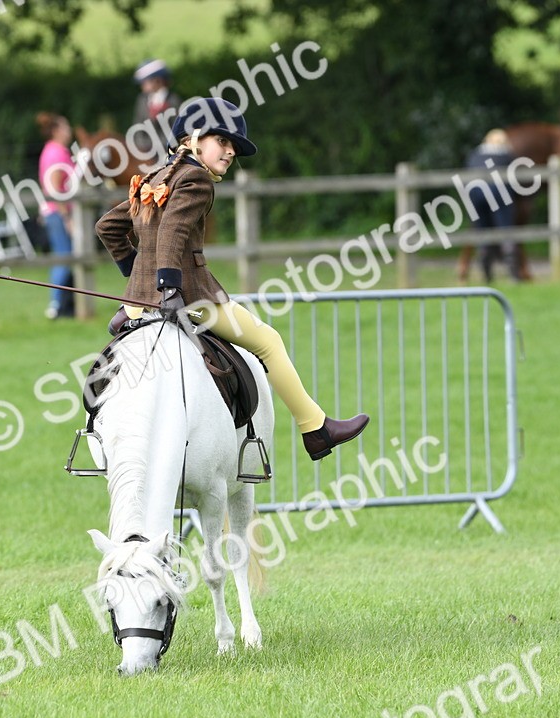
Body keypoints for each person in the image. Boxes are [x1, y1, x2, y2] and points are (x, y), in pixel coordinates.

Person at [95, 97, 369, 461]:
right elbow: (173, 233)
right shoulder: (195, 179)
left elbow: (108, 227)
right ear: (193, 139)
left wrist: (135, 271)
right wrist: (169, 287)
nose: (229, 153)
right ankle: (315, 428)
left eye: (233, 147)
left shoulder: (155, 177)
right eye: (222, 141)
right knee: (269, 341)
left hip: (135, 305)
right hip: (190, 298)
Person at [37, 112, 77, 319]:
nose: (69, 131)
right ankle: (56, 304)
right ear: (57, 131)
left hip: (51, 211)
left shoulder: (51, 150)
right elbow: (54, 185)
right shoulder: (57, 152)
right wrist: (66, 216)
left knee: (63, 255)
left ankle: (63, 303)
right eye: (66, 127)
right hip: (57, 211)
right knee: (64, 256)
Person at [465, 129, 517, 282]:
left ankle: (486, 275)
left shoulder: (475, 154)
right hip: (498, 189)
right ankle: (513, 275)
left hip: (473, 191)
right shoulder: (506, 155)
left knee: (481, 232)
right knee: (505, 230)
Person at [130, 59, 182, 165]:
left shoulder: (173, 100)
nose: (142, 85)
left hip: (167, 153)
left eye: (145, 82)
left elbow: (176, 131)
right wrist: (141, 147)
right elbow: (137, 127)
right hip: (144, 153)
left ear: (157, 80)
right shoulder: (142, 100)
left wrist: (159, 146)